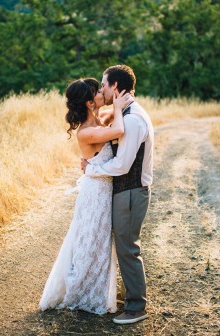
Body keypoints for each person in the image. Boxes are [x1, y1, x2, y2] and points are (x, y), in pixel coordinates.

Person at [39, 77, 133, 314]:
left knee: (98, 241)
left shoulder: (99, 121)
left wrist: (118, 105)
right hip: (95, 194)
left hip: (101, 189)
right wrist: (118, 109)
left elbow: (112, 122)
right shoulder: (87, 132)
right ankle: (81, 291)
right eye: (98, 91)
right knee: (91, 241)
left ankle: (97, 289)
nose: (103, 91)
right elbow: (119, 129)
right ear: (90, 103)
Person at [81, 64, 154, 325]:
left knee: (128, 248)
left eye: (103, 84)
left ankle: (136, 307)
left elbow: (122, 165)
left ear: (115, 86)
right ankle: (131, 297)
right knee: (124, 246)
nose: (101, 89)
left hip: (132, 192)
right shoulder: (128, 112)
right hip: (126, 191)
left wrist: (92, 169)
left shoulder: (132, 118)